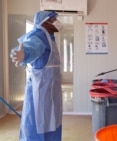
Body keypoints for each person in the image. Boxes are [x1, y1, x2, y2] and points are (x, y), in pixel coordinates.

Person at [10, 11, 64, 141]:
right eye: (54, 19)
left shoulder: (50, 39)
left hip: (52, 93)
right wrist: (24, 54)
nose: (57, 21)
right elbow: (31, 47)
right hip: (39, 94)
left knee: (53, 122)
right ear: (45, 22)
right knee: (37, 125)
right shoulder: (39, 36)